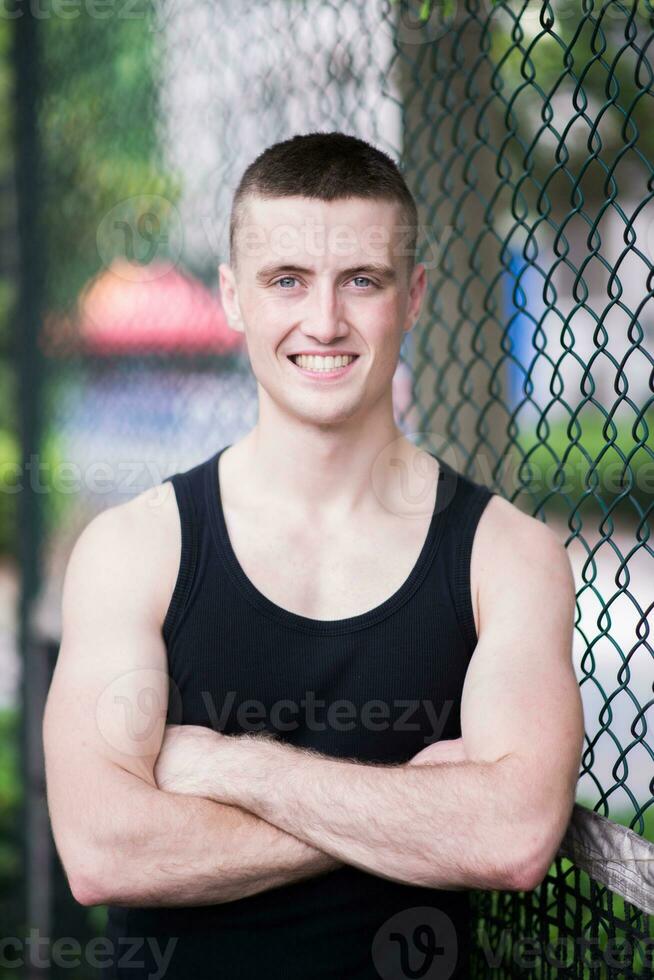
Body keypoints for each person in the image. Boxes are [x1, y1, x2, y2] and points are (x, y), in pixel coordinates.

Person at [43, 131, 584, 980]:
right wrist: (416, 807)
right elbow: (101, 852)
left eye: (361, 281)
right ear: (232, 296)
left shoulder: (506, 555)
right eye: (286, 280)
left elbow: (512, 838)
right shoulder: (134, 549)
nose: (323, 321)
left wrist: (226, 765)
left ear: (413, 297)